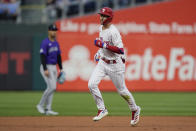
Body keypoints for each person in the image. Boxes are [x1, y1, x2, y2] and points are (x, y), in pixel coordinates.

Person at [88, 7, 141, 126]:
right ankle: (102, 109)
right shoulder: (100, 28)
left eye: (104, 15)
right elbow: (103, 45)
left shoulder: (113, 32)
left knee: (122, 91)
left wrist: (104, 46)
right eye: (101, 15)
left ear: (110, 18)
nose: (101, 17)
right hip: (103, 62)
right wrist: (99, 52)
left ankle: (135, 109)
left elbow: (120, 50)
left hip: (115, 64)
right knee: (91, 84)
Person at [36, 24, 63, 115]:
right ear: (49, 31)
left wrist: (61, 69)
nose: (54, 32)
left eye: (55, 30)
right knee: (52, 87)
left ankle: (48, 109)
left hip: (54, 67)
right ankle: (40, 105)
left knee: (52, 88)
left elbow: (58, 57)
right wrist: (45, 68)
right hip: (46, 66)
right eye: (52, 30)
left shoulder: (56, 43)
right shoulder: (45, 42)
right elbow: (42, 55)